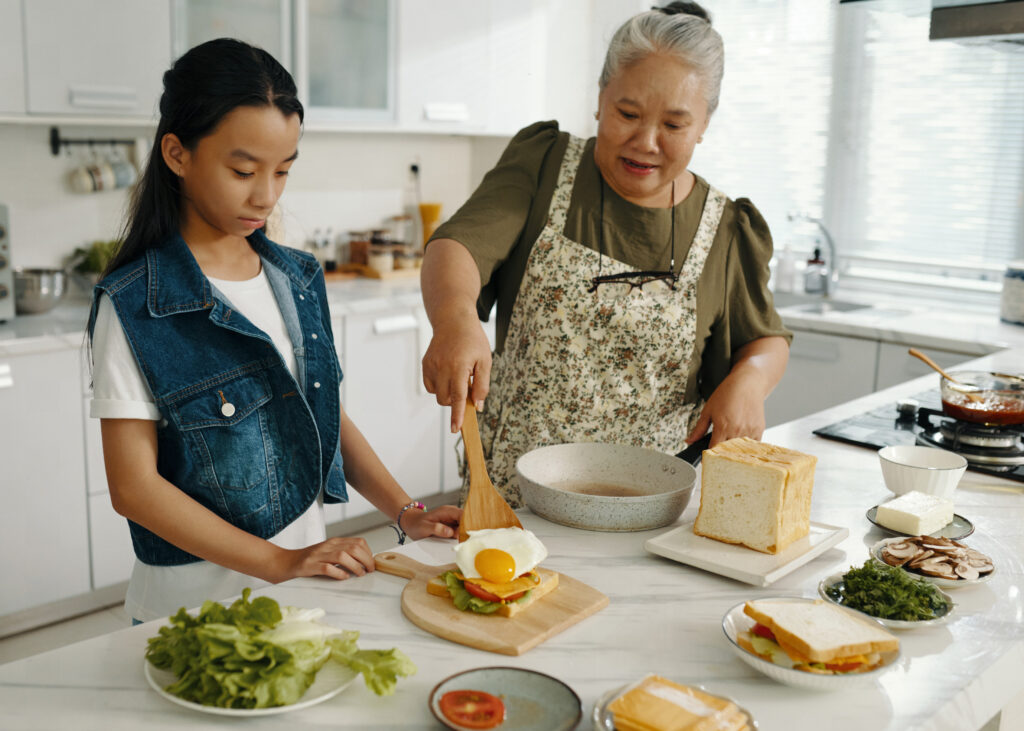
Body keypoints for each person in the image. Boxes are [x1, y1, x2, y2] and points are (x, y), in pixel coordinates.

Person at [87, 38, 460, 623]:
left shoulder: (296, 276)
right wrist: (281, 561)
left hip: (302, 593)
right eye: (243, 170)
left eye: (282, 171)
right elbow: (133, 489)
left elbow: (321, 413)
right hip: (190, 613)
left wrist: (406, 511)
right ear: (177, 153)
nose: (266, 195)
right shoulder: (136, 305)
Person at [420, 2, 791, 506]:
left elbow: (764, 339)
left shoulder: (726, 228)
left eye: (675, 125)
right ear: (600, 98)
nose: (646, 141)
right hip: (514, 496)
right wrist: (455, 318)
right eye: (628, 113)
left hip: (651, 505)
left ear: (704, 124)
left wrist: (750, 380)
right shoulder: (545, 164)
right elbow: (458, 246)